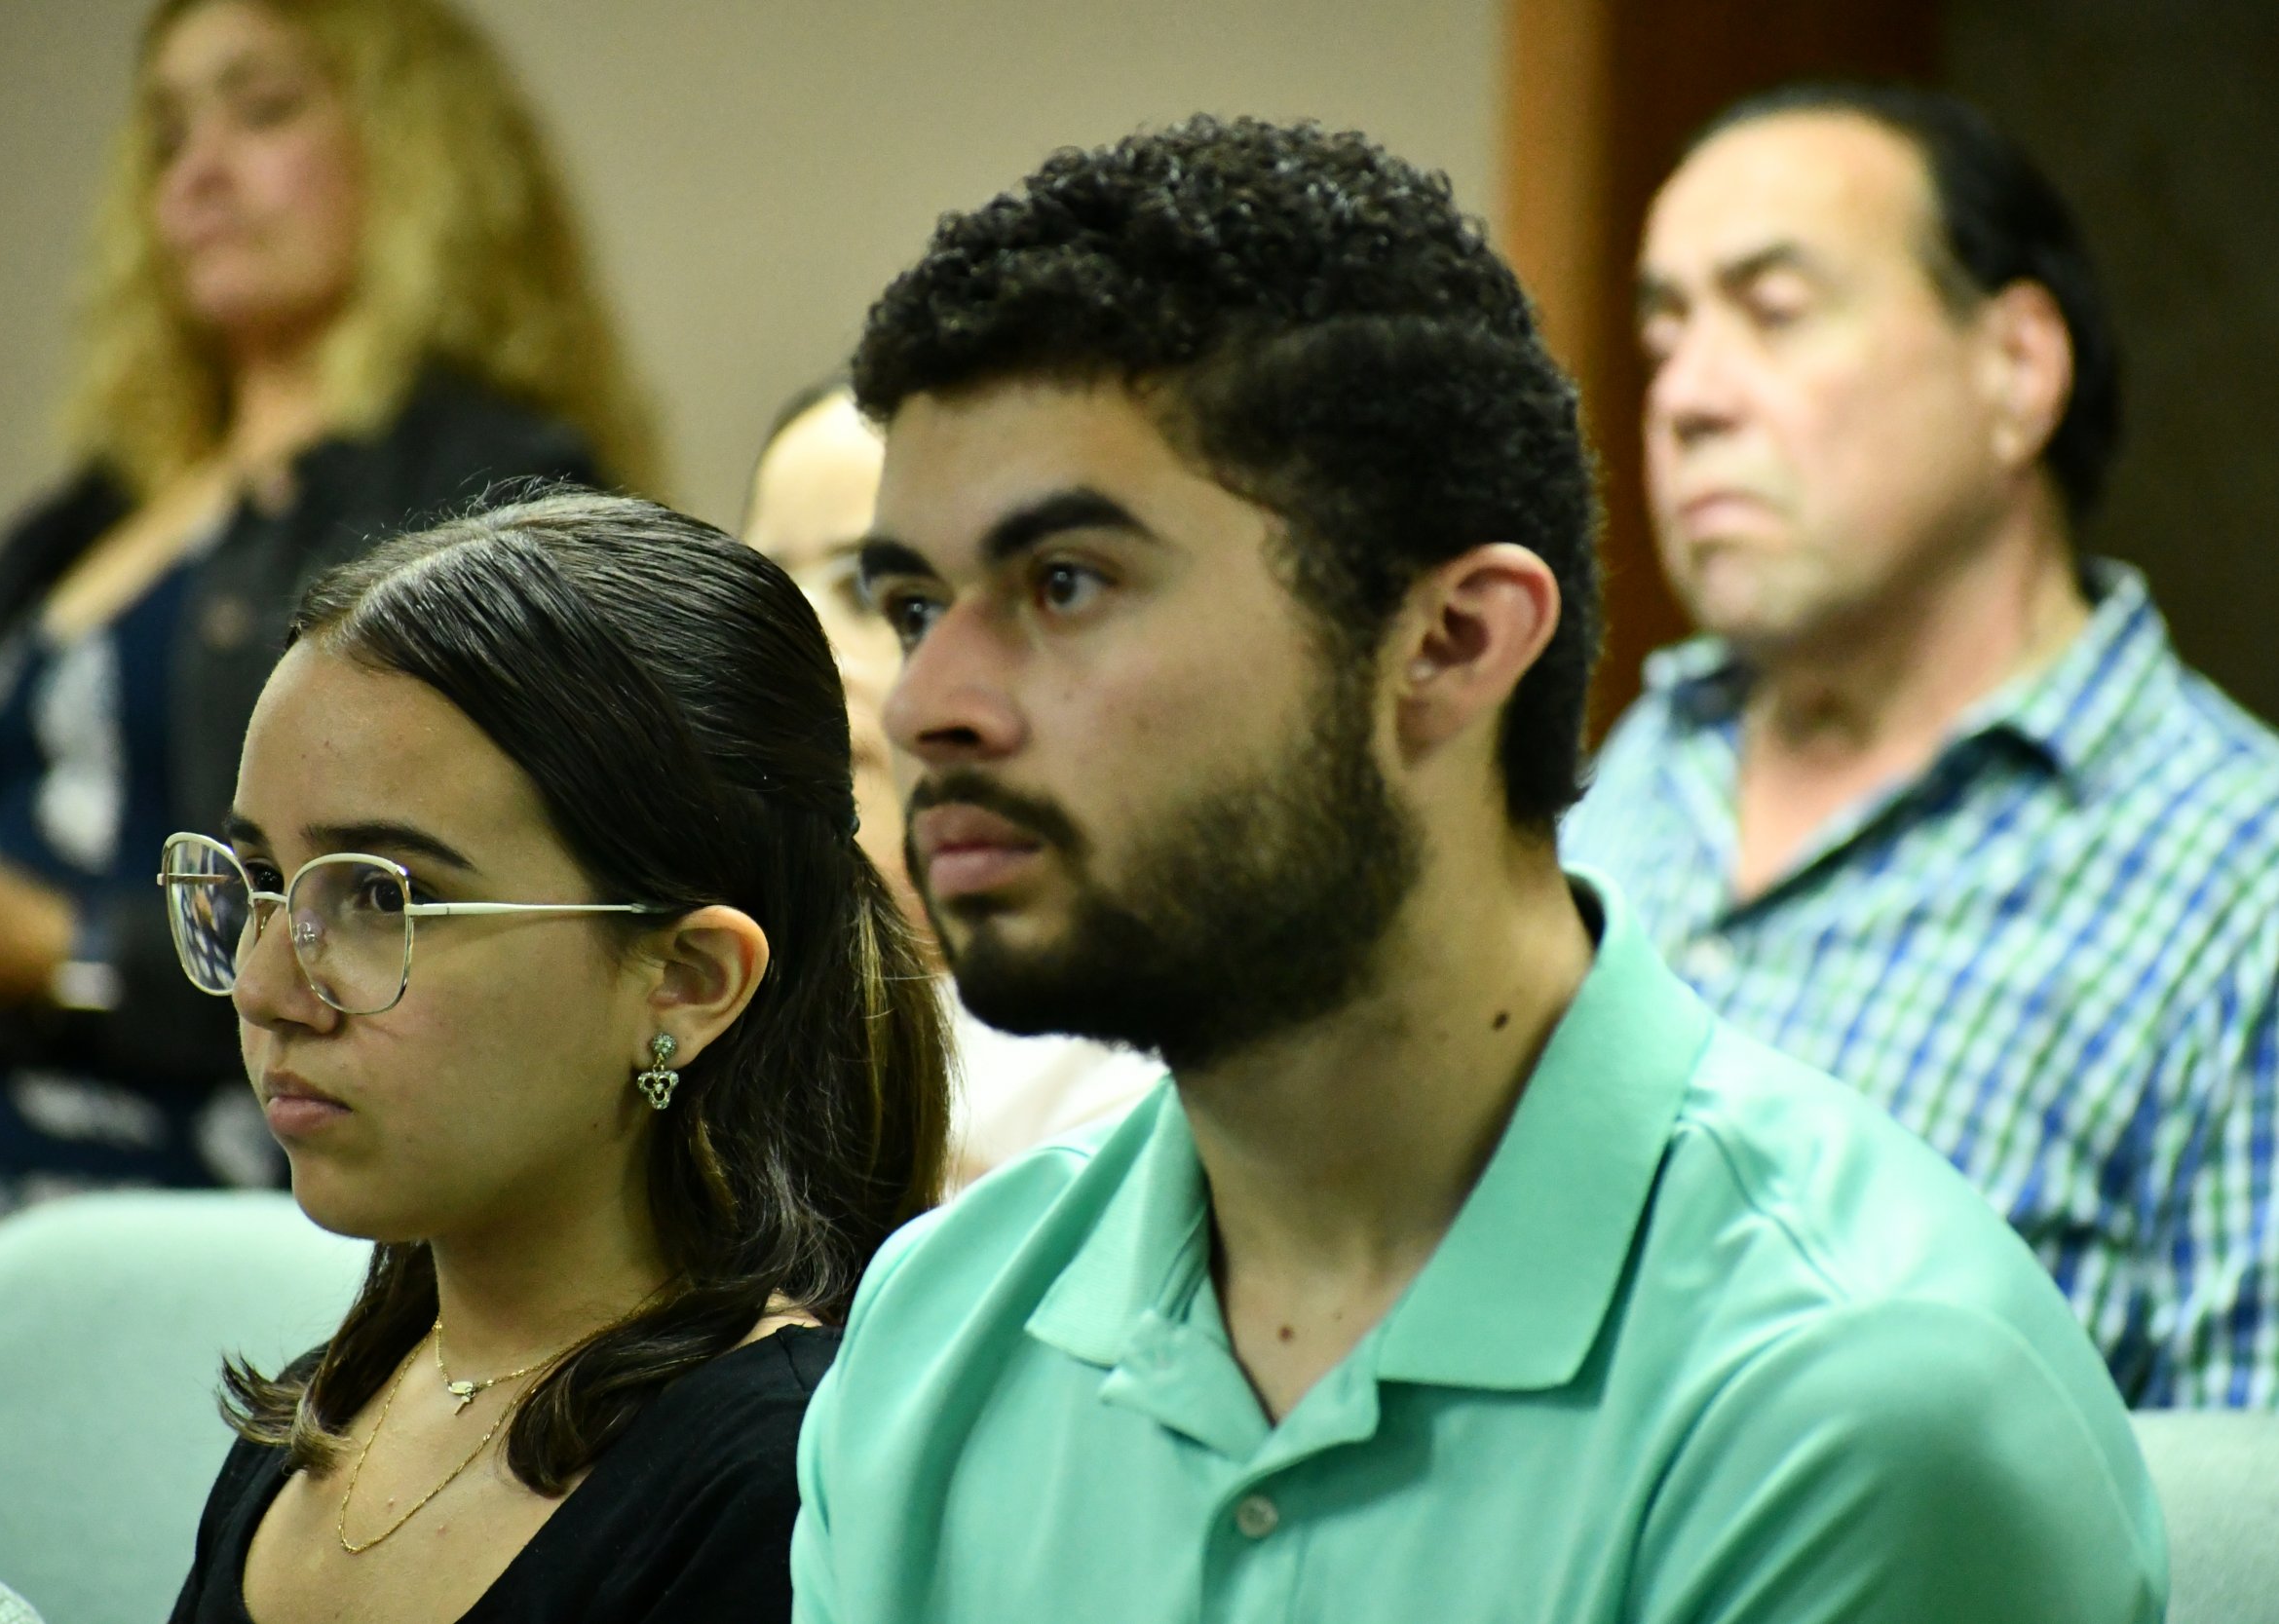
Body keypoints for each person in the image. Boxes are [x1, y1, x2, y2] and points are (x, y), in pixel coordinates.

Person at [787, 116, 2165, 1623]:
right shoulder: (934, 1332)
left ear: (1448, 643)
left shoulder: (1858, 1397)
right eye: (913, 606)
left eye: (1066, 582)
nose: (925, 705)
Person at [0, 0, 655, 1357]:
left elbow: (457, 935)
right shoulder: (100, 509)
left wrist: (64, 952)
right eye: (167, 135)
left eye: (262, 111)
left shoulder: (489, 492)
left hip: (220, 1117)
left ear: (417, 152)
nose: (197, 173)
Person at [1561, 83, 2279, 1408]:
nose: (1687, 397)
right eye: (1667, 336)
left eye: (1775, 312)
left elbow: (2244, 1504)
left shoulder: (2244, 884)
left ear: (2017, 369)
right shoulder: (1638, 762)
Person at [165, 491, 948, 1622]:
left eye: (382, 897)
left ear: (686, 979)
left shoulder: (786, 1484)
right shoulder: (323, 1410)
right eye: (259, 883)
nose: (265, 988)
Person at [743, 381, 1160, 1185]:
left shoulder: (1128, 1054)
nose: (799, 651)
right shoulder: (680, 992)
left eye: (883, 598)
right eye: (763, 592)